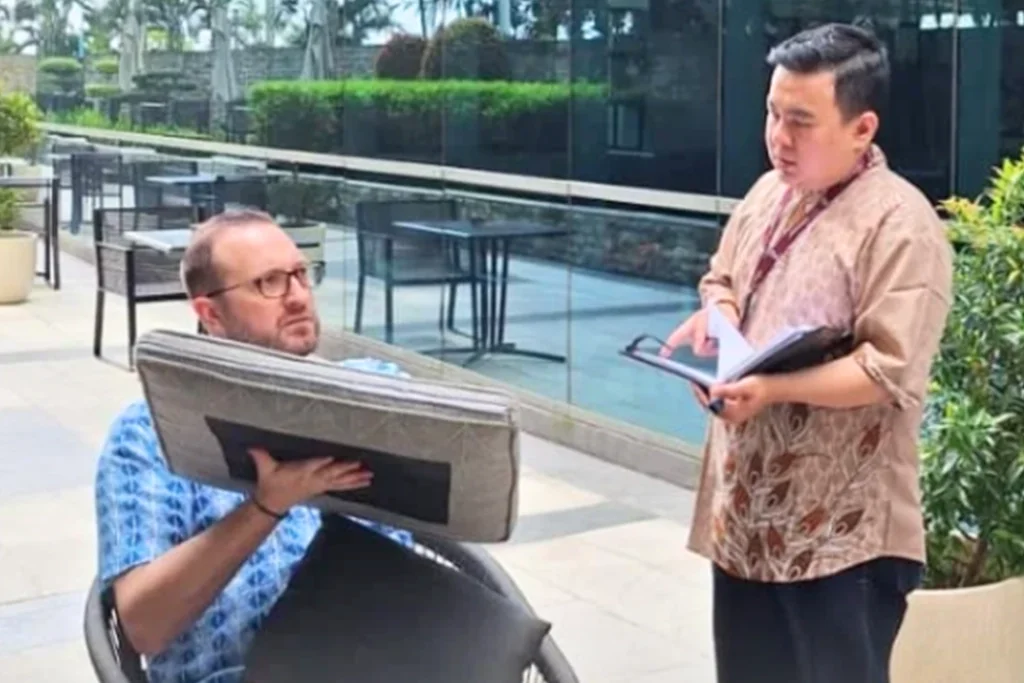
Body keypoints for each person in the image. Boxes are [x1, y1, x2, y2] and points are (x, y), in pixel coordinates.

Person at [661, 23, 952, 683]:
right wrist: (720, 316)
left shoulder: (901, 224)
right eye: (772, 113)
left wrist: (773, 389)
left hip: (841, 540)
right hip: (747, 520)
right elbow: (723, 274)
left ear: (862, 127)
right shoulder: (768, 193)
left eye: (800, 120)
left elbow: (888, 368)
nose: (778, 137)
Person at [94, 209, 413, 683]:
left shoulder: (376, 390)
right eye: (269, 283)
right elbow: (141, 626)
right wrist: (266, 508)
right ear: (210, 314)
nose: (299, 297)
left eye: (302, 275)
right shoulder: (150, 433)